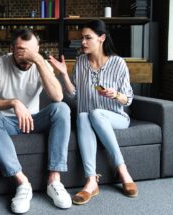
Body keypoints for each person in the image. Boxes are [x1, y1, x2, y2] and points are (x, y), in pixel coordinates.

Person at [0, 29, 72, 214]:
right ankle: (22, 183)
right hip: (7, 122)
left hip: (34, 120)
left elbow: (57, 96)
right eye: (20, 50)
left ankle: (54, 181)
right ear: (12, 48)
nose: (25, 55)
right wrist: (13, 102)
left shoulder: (40, 63)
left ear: (37, 49)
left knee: (62, 108)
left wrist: (38, 61)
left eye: (30, 51)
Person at [49, 19, 137, 205]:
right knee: (83, 115)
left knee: (96, 113)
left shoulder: (118, 63)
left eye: (88, 38)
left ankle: (122, 169)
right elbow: (74, 96)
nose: (83, 42)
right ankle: (90, 181)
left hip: (116, 117)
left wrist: (115, 95)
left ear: (102, 38)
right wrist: (64, 75)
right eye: (82, 38)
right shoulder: (80, 62)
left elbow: (128, 99)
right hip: (87, 118)